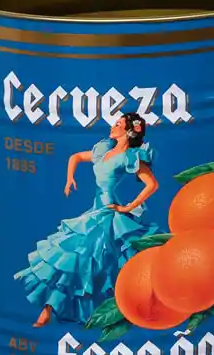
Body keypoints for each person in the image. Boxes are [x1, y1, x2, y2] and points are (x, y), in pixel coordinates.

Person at [16, 113, 163, 328]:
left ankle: (133, 308)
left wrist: (128, 207)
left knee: (111, 262)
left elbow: (152, 184)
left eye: (118, 124)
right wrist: (69, 179)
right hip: (96, 210)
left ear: (130, 131)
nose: (113, 127)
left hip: (109, 212)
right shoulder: (103, 151)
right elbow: (75, 157)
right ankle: (48, 310)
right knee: (72, 257)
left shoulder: (129, 157)